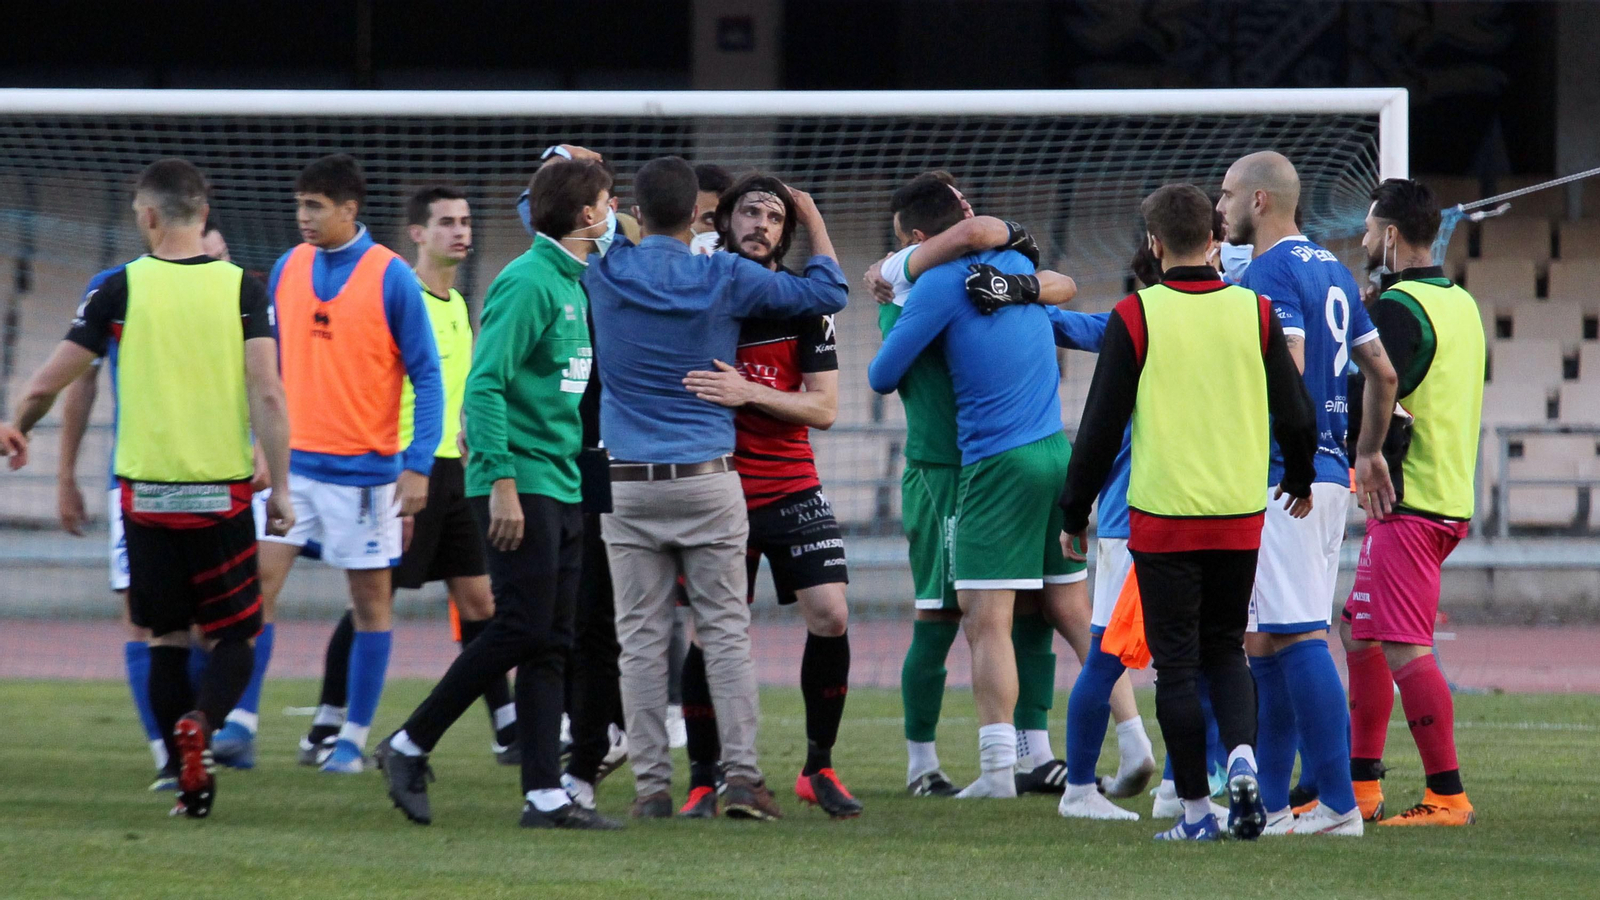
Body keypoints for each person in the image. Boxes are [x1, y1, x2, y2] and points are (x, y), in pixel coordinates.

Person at [6, 158, 294, 818]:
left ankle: (183, 775)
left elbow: (51, 380)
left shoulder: (120, 289)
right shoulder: (242, 289)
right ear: (203, 211)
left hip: (146, 498)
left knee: (163, 636)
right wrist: (280, 487)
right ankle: (204, 724)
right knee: (233, 638)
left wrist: (17, 424)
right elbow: (269, 392)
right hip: (219, 494)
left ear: (150, 216)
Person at [586, 156, 848, 820]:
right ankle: (742, 779)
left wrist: (600, 196)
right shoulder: (724, 276)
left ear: (637, 212)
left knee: (642, 641)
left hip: (627, 484)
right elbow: (828, 293)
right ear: (704, 216)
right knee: (727, 633)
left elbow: (548, 219)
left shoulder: (605, 269)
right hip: (706, 478)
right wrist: (811, 216)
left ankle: (651, 790)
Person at [1059, 183, 1317, 841]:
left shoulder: (1136, 316)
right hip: (1238, 512)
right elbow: (1294, 408)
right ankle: (1241, 759)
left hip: (1162, 517)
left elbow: (1098, 428)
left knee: (1174, 666)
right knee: (1226, 652)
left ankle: (1198, 814)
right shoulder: (1256, 312)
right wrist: (1301, 474)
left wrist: (1073, 513)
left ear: (1153, 244)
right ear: (1217, 239)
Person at [886, 173, 1156, 801]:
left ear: (919, 239)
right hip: (1052, 453)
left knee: (978, 621)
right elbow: (1066, 299)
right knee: (1068, 613)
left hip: (974, 469)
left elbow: (880, 372)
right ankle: (1134, 740)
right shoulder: (1004, 271)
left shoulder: (935, 285)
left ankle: (995, 769)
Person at [376, 159, 620, 830]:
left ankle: (544, 794)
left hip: (564, 480)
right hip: (522, 480)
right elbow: (484, 385)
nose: (614, 212)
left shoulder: (574, 283)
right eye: (606, 201)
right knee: (521, 626)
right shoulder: (527, 280)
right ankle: (408, 742)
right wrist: (504, 483)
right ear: (583, 215)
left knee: (552, 641)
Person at [216, 153, 443, 773]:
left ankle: (350, 740)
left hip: (366, 477)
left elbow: (428, 376)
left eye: (315, 206)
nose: (303, 217)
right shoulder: (288, 267)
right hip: (294, 473)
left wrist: (417, 464)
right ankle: (240, 722)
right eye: (299, 205)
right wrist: (261, 447)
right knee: (255, 591)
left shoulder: (392, 276)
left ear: (349, 209)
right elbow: (270, 370)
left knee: (370, 604)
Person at [297, 186, 516, 767]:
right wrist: (402, 466)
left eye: (467, 221)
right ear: (417, 233)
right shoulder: (399, 294)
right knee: (375, 596)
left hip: (455, 473)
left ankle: (507, 726)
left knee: (479, 600)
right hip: (403, 471)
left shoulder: (459, 309)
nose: (460, 232)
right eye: (446, 222)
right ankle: (326, 724)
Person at [1216, 151, 1400, 837]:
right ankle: (1266, 805)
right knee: (1264, 639)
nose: (1221, 206)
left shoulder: (1268, 271)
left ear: (1261, 200)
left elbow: (1286, 367)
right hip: (1326, 473)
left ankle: (1337, 804)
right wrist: (1367, 450)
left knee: (1295, 635)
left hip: (1285, 477)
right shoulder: (1331, 268)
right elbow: (1381, 373)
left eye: (1230, 194)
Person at [671, 173, 859, 819]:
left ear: (787, 232)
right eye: (749, 212)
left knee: (831, 614)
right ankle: (702, 777)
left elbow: (826, 408)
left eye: (775, 217)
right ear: (724, 222)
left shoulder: (803, 307)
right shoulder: (702, 295)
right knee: (708, 631)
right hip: (714, 487)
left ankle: (818, 765)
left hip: (790, 485)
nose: (761, 225)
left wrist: (751, 393)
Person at [1339, 178, 1484, 828]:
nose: (1366, 239)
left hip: (1412, 497)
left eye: (1371, 229)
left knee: (1402, 644)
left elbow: (1383, 382)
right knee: (1361, 629)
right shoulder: (1461, 303)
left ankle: (1447, 795)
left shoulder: (1400, 307)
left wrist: (1361, 445)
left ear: (1392, 235)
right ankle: (1361, 786)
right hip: (1444, 492)